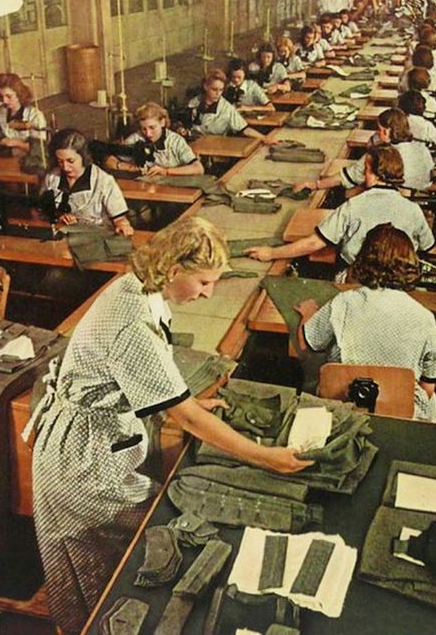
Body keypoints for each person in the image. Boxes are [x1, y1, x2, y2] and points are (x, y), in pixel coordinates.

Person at [27, 216, 310, 634]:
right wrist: (269, 458)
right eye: (203, 283)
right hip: (80, 464)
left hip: (81, 447)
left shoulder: (135, 286)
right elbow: (188, 419)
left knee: (111, 565)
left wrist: (183, 399)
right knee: (104, 579)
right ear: (174, 270)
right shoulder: (133, 324)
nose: (208, 292)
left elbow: (146, 384)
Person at [295, 224, 436, 422]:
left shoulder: (343, 302)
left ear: (363, 259)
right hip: (401, 416)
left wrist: (308, 314)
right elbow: (428, 386)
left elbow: (308, 343)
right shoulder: (424, 317)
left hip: (343, 409)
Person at [245, 146, 434, 271]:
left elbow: (314, 243)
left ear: (373, 174)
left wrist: (271, 253)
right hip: (395, 278)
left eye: (366, 170)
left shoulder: (354, 206)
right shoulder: (413, 209)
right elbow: (427, 246)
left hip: (356, 274)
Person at [295, 108, 434, 193]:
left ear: (386, 131)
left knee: (349, 192)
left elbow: (348, 177)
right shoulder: (420, 146)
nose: (377, 133)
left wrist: (314, 185)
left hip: (395, 198)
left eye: (379, 130)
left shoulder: (383, 155)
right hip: (420, 194)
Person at [42, 128, 133, 235]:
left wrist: (122, 225)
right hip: (64, 236)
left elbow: (119, 218)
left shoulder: (103, 181)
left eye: (71, 161)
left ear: (83, 156)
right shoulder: (52, 178)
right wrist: (60, 216)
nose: (65, 167)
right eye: (60, 161)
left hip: (98, 236)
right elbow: (44, 210)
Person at [105, 101, 204, 177]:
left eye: (152, 127)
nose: (148, 134)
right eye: (143, 129)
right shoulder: (136, 139)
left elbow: (198, 168)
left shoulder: (176, 141)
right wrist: (128, 167)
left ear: (162, 122)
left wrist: (166, 171)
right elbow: (109, 160)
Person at [186, 69, 277, 144]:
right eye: (214, 89)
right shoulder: (193, 103)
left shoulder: (226, 107)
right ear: (205, 86)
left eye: (221, 90)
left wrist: (264, 138)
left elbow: (244, 129)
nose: (218, 94)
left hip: (216, 146)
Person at [0, 73, 46, 152]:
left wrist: (17, 143)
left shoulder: (35, 115)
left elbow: (40, 149)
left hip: (30, 159)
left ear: (19, 94)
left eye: (9, 96)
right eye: (2, 96)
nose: (4, 101)